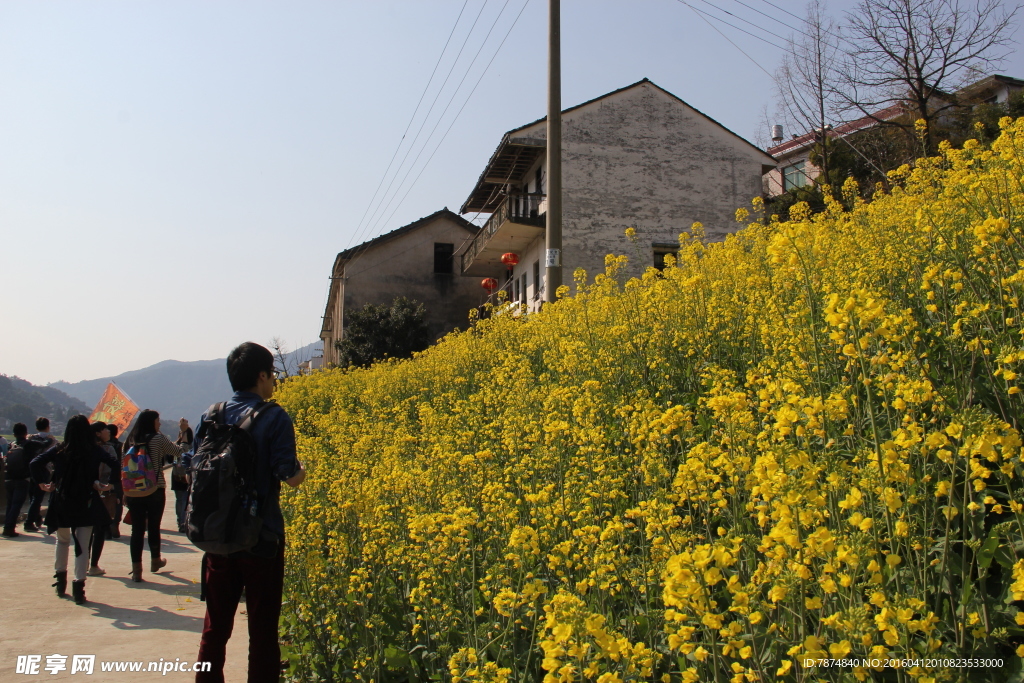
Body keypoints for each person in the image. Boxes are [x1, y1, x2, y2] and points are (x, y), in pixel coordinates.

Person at [195, 342, 305, 683]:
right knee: (262, 630)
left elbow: (190, 465)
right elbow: (289, 476)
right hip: (261, 538)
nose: (273, 381)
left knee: (214, 628)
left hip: (217, 536)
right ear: (262, 376)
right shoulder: (273, 416)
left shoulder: (210, 415)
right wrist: (303, 470)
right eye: (271, 374)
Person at [30, 415, 117, 604]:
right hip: (86, 500)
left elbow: (35, 462)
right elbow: (116, 464)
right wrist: (107, 485)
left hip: (62, 500)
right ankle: (79, 588)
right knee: (82, 544)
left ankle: (60, 581)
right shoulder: (94, 450)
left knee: (62, 541)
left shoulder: (60, 449)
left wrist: (42, 483)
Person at [124, 409, 182, 582]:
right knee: (154, 526)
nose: (160, 423)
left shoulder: (130, 440)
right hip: (155, 487)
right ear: (152, 422)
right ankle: (155, 560)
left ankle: (136, 570)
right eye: (158, 420)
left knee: (137, 530)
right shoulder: (158, 438)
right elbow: (178, 451)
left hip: (134, 489)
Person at [87, 422, 118, 576]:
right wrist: (110, 485)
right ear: (98, 433)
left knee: (85, 531)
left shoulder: (82, 448)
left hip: (85, 492)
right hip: (101, 491)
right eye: (105, 429)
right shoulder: (107, 449)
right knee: (99, 529)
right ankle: (93, 565)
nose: (108, 431)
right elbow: (115, 466)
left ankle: (83, 562)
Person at [23, 418, 57, 532]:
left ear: (37, 427)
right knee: (38, 498)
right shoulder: (52, 440)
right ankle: (29, 522)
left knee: (33, 496)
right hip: (44, 470)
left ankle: (37, 518)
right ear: (48, 427)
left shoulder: (30, 438)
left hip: (31, 469)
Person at [2, 423, 31, 537]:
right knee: (16, 505)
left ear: (13, 434)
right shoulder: (29, 445)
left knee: (10, 504)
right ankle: (9, 528)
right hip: (22, 479)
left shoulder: (11, 445)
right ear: (25, 433)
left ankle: (7, 526)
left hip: (8, 478)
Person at [173, 418, 194, 533]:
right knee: (182, 499)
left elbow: (184, 450)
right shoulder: (180, 445)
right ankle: (182, 522)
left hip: (180, 474)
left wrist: (184, 432)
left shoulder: (188, 446)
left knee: (181, 499)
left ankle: (181, 521)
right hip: (180, 475)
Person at [106, 424, 124, 538]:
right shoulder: (120, 446)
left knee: (104, 502)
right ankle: (115, 524)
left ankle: (106, 526)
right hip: (117, 478)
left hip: (103, 478)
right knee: (117, 501)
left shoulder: (102, 446)